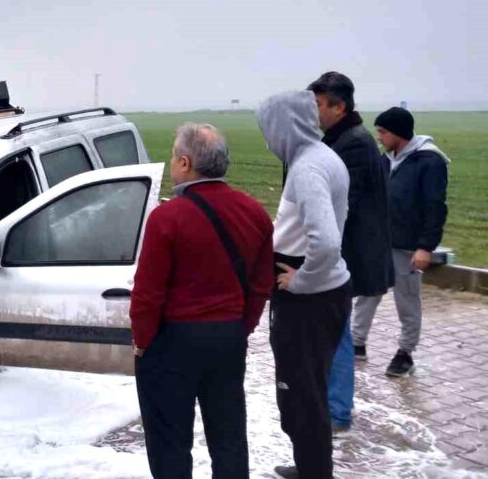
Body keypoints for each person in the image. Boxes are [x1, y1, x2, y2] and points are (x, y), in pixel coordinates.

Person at [131, 123, 273, 479]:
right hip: (227, 338)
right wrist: (243, 325)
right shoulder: (254, 212)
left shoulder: (167, 218)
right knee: (228, 435)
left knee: (170, 442)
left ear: (184, 162)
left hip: (172, 343)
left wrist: (143, 341)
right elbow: (261, 282)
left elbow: (148, 292)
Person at [257, 91, 352, 479]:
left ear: (284, 125)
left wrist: (301, 281)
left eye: (268, 128)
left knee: (301, 392)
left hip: (308, 299)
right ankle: (311, 466)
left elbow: (326, 241)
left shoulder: (307, 169)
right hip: (324, 293)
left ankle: (315, 472)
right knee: (308, 387)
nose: (267, 138)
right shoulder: (321, 156)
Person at [307, 72, 393, 433]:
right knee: (335, 329)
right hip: (347, 253)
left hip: (350, 256)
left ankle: (337, 412)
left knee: (336, 330)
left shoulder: (353, 143)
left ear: (339, 107)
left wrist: (321, 250)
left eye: (318, 106)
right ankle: (335, 407)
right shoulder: (343, 137)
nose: (314, 114)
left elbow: (344, 204)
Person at [353, 107, 449, 378]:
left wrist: (425, 246)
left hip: (409, 246)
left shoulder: (430, 162)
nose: (379, 137)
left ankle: (405, 353)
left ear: (398, 133)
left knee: (407, 300)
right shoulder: (385, 160)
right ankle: (356, 343)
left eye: (383, 132)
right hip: (379, 241)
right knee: (367, 292)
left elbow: (435, 207)